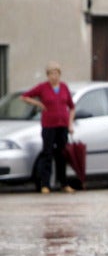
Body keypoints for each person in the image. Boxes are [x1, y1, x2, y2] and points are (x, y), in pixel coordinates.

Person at [20, 61, 76, 194]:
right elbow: (24, 97)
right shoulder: (42, 87)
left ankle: (63, 183)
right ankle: (45, 184)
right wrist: (38, 104)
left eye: (56, 73)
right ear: (47, 75)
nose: (54, 76)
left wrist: (70, 124)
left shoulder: (64, 87)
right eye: (51, 74)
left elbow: (72, 107)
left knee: (62, 155)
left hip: (62, 125)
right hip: (49, 126)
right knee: (47, 154)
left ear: (59, 74)